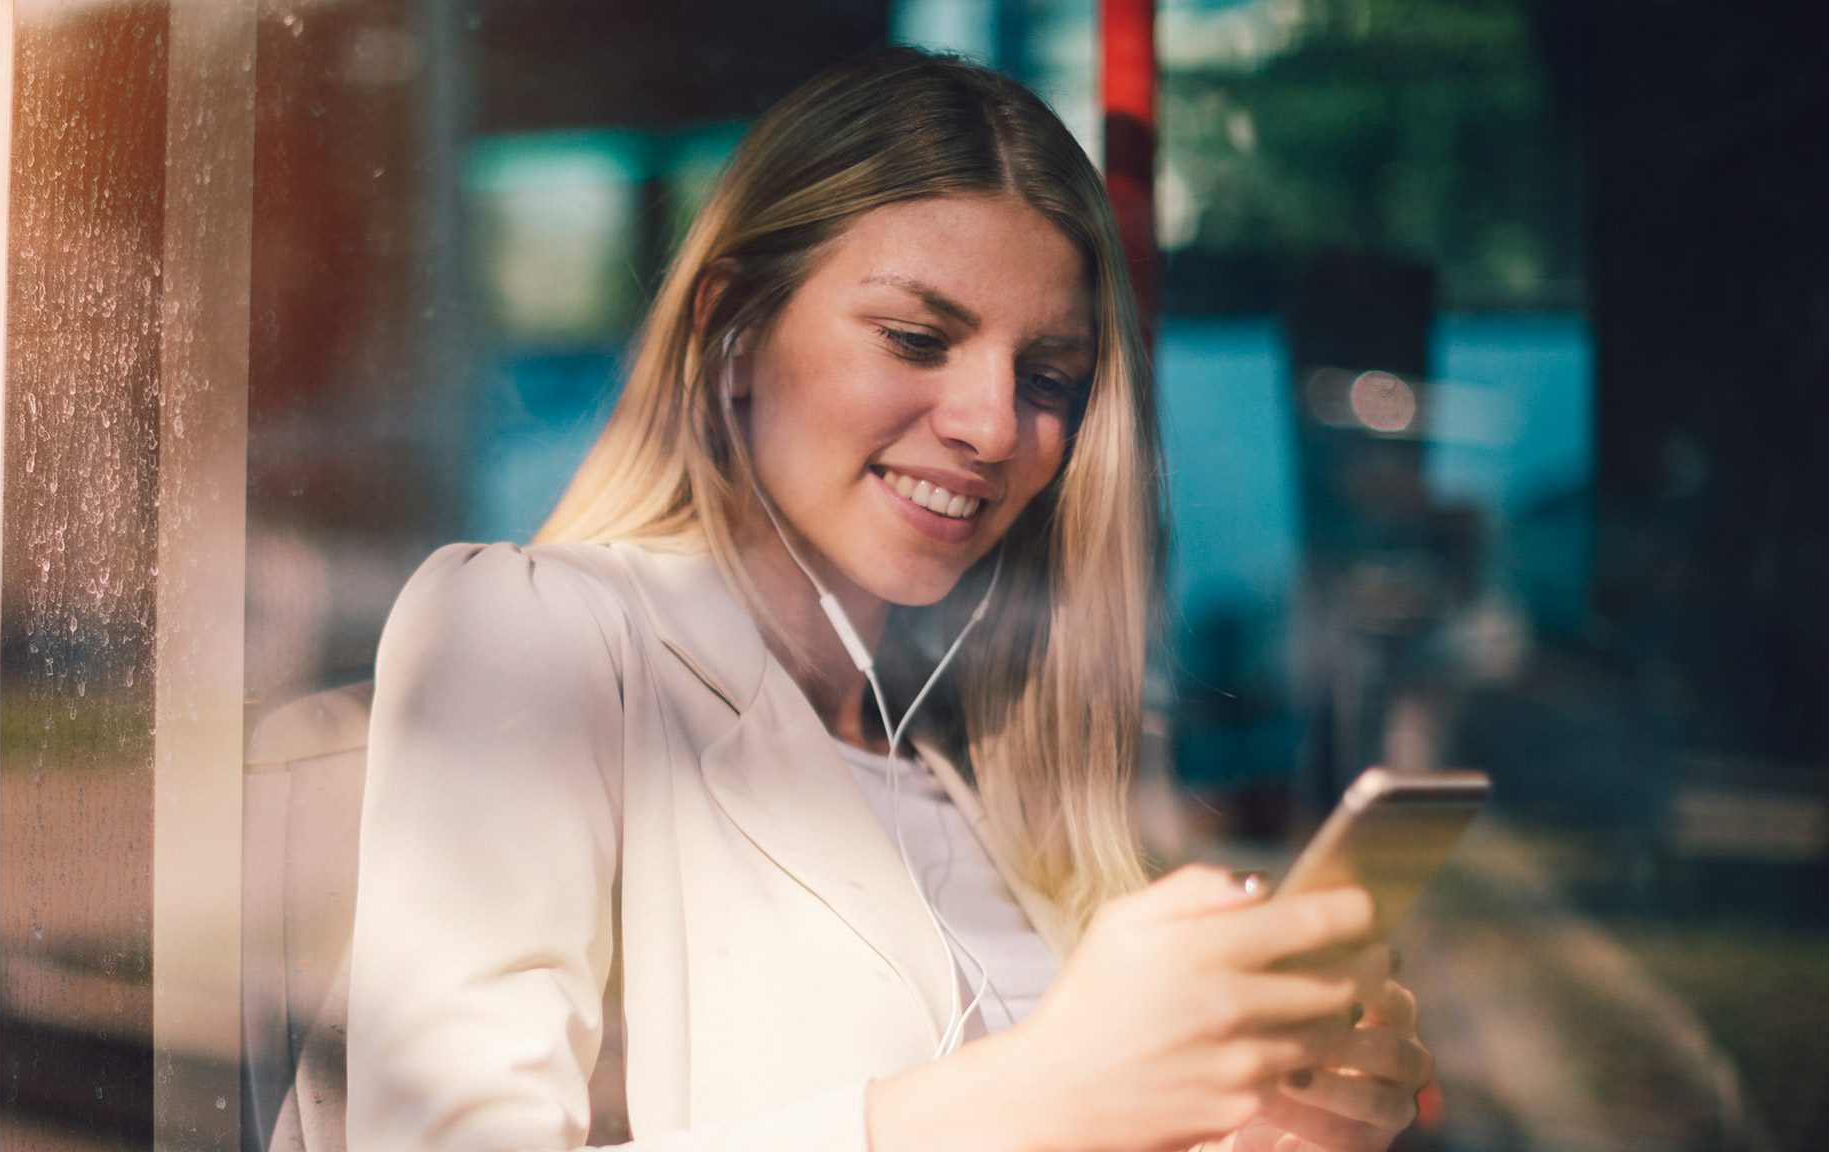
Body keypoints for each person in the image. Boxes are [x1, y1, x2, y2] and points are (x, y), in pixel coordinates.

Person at [347, 47, 1433, 1152]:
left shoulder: (975, 762)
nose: (994, 425)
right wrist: (1040, 1093)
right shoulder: (535, 632)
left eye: (1047, 377)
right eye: (917, 339)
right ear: (731, 335)